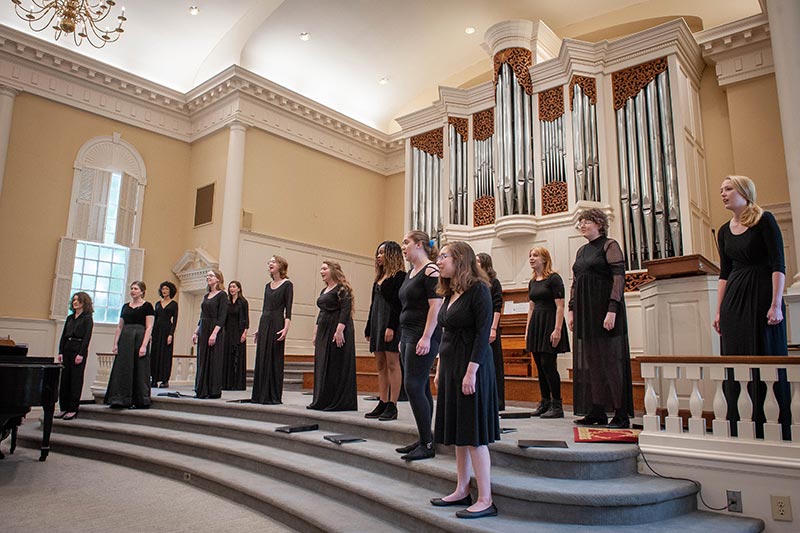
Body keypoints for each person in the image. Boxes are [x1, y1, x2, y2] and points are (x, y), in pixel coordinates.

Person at [714, 175, 791, 440]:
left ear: (744, 191)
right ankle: (740, 424)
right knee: (736, 360)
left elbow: (778, 265)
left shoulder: (764, 220)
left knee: (764, 353)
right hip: (734, 299)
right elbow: (724, 273)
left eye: (728, 189)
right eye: (721, 190)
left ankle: (772, 425)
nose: (722, 193)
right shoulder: (724, 231)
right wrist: (718, 311)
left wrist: (776, 304)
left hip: (761, 295)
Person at [431, 241, 500, 519]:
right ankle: (462, 489)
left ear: (460, 260)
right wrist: (438, 367)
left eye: (444, 256)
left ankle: (486, 498)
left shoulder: (478, 290)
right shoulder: (450, 293)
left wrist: (471, 371)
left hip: (473, 368)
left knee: (473, 436)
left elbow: (483, 335)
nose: (439, 261)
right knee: (460, 435)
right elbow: (446, 334)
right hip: (451, 368)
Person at [568, 208, 634, 429]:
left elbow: (618, 279)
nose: (582, 225)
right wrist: (571, 309)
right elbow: (575, 282)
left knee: (610, 362)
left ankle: (620, 413)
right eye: (581, 222)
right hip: (585, 311)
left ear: (599, 224)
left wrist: (612, 309)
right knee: (592, 363)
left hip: (605, 310)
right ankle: (597, 410)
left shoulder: (610, 245)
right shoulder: (581, 251)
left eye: (587, 221)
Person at [395, 230, 442, 461]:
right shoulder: (410, 272)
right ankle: (425, 437)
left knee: (412, 386)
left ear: (420, 245)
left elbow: (436, 306)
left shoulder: (431, 270)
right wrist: (403, 339)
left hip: (423, 334)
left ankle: (427, 443)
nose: (403, 246)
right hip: (408, 334)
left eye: (406, 242)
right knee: (420, 386)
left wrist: (425, 337)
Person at [526, 247, 570, 418]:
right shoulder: (532, 282)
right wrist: (528, 329)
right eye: (530, 255)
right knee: (539, 365)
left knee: (548, 364)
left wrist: (557, 329)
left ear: (544, 259)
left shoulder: (554, 278)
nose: (531, 258)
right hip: (537, 323)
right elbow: (531, 307)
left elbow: (560, 306)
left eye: (535, 255)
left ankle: (557, 405)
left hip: (550, 322)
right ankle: (544, 402)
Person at [364, 241, 406, 421]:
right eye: (377, 253)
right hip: (377, 322)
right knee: (380, 365)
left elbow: (398, 304)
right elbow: (374, 304)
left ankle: (392, 404)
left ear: (392, 254)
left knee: (392, 364)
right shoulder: (379, 277)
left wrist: (391, 326)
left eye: (382, 253)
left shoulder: (400, 276)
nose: (378, 256)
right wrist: (369, 327)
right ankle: (382, 401)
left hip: (391, 323)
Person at [308, 261, 357, 411]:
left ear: (333, 270)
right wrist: (316, 332)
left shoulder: (342, 289)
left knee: (335, 363)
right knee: (323, 363)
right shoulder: (324, 291)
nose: (321, 271)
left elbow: (345, 310)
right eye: (321, 268)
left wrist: (339, 330)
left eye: (324, 268)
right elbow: (322, 312)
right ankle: (322, 399)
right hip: (324, 329)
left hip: (337, 327)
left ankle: (336, 401)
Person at [105, 281, 154, 409]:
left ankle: (139, 400)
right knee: (123, 368)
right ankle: (120, 398)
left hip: (139, 337)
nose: (133, 291)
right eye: (131, 288)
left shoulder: (147, 306)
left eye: (136, 289)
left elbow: (149, 327)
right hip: (125, 338)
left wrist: (144, 345)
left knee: (139, 368)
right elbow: (119, 326)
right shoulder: (125, 306)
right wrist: (115, 343)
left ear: (142, 291)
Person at [252, 256, 293, 404]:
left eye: (273, 261)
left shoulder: (288, 284)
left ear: (281, 265)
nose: (270, 263)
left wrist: (285, 329)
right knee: (262, 356)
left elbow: (288, 310)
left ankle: (272, 395)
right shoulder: (267, 285)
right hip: (265, 321)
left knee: (274, 357)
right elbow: (264, 308)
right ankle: (260, 394)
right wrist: (258, 328)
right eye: (269, 261)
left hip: (277, 321)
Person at [56, 292, 94, 420]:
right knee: (64, 380)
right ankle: (63, 407)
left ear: (84, 302)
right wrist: (60, 351)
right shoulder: (70, 318)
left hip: (78, 350)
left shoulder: (87, 318)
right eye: (74, 300)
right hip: (67, 348)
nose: (75, 302)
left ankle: (73, 409)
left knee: (75, 380)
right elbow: (63, 336)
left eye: (78, 300)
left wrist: (81, 354)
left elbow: (87, 337)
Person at [476, 252, 505, 411]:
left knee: (495, 364)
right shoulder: (475, 282)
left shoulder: (494, 282)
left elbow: (497, 306)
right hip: (480, 328)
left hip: (491, 327)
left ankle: (498, 400)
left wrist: (493, 328)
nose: (475, 264)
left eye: (478, 262)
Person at [193, 270, 228, 399]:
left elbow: (222, 316)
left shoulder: (222, 295)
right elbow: (202, 316)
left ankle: (213, 390)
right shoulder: (206, 296)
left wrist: (214, 334)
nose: (208, 277)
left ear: (218, 279)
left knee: (214, 360)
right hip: (204, 328)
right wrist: (196, 331)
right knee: (202, 359)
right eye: (207, 276)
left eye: (211, 275)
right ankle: (201, 389)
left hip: (215, 329)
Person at [150, 281, 178, 388]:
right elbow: (154, 319)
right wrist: (151, 334)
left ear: (170, 290)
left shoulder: (174, 304)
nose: (164, 291)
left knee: (165, 355)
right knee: (155, 354)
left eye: (166, 289)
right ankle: (154, 379)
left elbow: (175, 321)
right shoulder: (157, 304)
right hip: (157, 330)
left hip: (167, 330)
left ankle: (165, 380)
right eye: (163, 289)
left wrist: (171, 334)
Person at [223, 280, 249, 390]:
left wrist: (245, 333)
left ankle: (237, 384)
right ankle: (226, 383)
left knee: (237, 356)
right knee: (227, 356)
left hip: (239, 331)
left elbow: (246, 318)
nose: (231, 289)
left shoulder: (243, 302)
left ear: (239, 288)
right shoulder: (227, 302)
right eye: (230, 287)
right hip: (228, 331)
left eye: (234, 287)